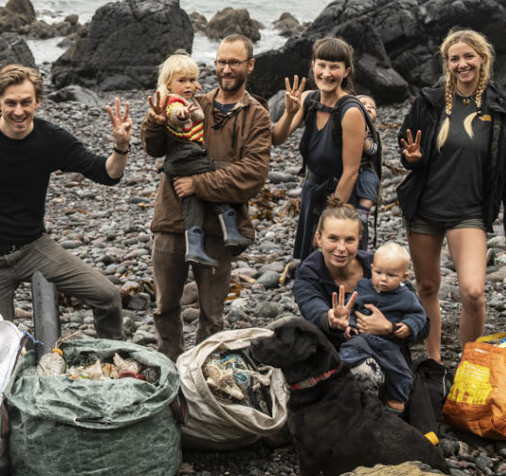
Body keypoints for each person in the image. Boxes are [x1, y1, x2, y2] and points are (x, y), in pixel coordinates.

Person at [0, 64, 132, 339]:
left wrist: (121, 146)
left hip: (33, 248)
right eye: (11, 103)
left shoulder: (51, 139)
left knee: (108, 296)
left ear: (37, 101)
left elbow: (107, 173)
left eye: (26, 102)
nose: (19, 111)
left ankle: (113, 355)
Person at [397, 28, 506, 362]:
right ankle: (434, 363)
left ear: (483, 59)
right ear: (447, 64)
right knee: (426, 288)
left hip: (468, 210)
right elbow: (407, 147)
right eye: (454, 58)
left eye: (468, 56)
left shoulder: (502, 107)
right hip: (426, 207)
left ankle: (470, 363)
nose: (462, 64)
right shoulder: (429, 101)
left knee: (473, 292)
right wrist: (411, 157)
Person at [141, 34, 272, 360]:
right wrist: (154, 122)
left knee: (213, 314)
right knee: (165, 305)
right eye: (221, 62)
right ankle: (170, 369)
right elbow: (154, 147)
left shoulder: (257, 116)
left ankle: (204, 372)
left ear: (250, 65)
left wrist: (199, 183)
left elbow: (252, 175)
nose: (226, 69)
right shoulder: (191, 99)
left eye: (234, 62)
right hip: (172, 219)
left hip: (218, 232)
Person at [272, 36, 369, 259]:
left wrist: (329, 222)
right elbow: (277, 138)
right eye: (321, 65)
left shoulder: (351, 111)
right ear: (313, 65)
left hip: (340, 199)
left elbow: (351, 173)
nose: (326, 73)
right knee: (308, 267)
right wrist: (288, 112)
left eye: (334, 67)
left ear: (346, 71)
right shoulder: (308, 99)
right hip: (312, 192)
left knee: (335, 266)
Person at [155, 52, 250, 269]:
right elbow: (176, 114)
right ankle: (231, 230)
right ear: (168, 83)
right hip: (184, 154)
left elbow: (199, 117)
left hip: (182, 160)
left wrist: (194, 101)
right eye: (182, 81)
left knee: (193, 199)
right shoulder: (171, 101)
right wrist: (181, 115)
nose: (188, 85)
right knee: (211, 175)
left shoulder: (187, 100)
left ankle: (194, 248)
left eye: (192, 80)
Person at [292, 198, 400, 353]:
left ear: (359, 240)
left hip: (388, 354)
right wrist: (331, 319)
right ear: (318, 239)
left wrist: (390, 327)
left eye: (349, 240)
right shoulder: (308, 273)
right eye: (333, 238)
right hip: (336, 356)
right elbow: (312, 308)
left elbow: (422, 323)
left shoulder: (378, 267)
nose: (341, 248)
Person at [338, 241, 427, 412]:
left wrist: (408, 326)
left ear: (404, 277)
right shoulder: (363, 288)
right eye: (378, 273)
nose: (383, 279)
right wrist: (349, 326)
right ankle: (343, 378)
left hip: (389, 344)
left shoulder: (406, 296)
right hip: (362, 338)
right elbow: (351, 308)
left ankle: (397, 400)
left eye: (391, 275)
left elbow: (419, 315)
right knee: (349, 351)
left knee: (400, 371)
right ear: (371, 269)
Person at [353, 94, 381, 218]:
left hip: (364, 169)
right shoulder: (345, 126)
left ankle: (363, 212)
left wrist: (365, 143)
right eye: (363, 104)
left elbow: (374, 149)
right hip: (346, 167)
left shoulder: (371, 132)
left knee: (372, 181)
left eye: (373, 107)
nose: (369, 106)